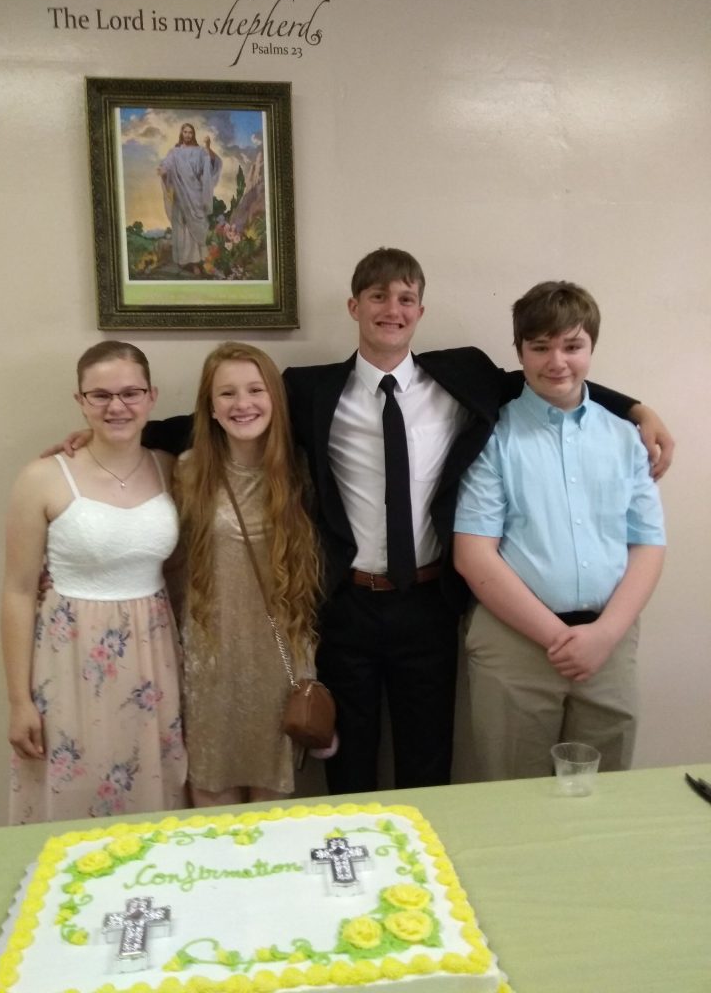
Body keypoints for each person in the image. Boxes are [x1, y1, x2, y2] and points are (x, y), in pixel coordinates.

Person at [48, 249, 674, 795]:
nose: (392, 308)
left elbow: (549, 379)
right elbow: (215, 419)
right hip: (346, 601)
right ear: (354, 306)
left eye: (406, 298)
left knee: (428, 759)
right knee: (344, 758)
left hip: (430, 601)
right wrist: (123, 431)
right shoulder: (311, 389)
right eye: (378, 296)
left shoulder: (463, 375)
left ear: (420, 312)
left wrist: (639, 408)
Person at [453, 282, 666, 779]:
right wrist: (558, 637)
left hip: (608, 644)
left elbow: (648, 545)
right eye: (540, 347)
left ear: (591, 347)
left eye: (572, 346)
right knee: (514, 795)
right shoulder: (493, 436)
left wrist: (604, 634)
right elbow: (474, 556)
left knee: (603, 795)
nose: (557, 362)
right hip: (515, 645)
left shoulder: (625, 438)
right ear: (520, 352)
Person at [2, 341, 187, 822]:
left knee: (152, 795)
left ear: (151, 397)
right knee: (74, 796)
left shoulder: (172, 469)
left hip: (154, 658)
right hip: (68, 662)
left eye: (130, 393)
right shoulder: (42, 478)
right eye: (100, 395)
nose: (117, 406)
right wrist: (19, 701)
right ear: (80, 401)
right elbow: (18, 593)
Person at [174, 342, 321, 807]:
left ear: (275, 398)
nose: (243, 404)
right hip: (210, 655)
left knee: (270, 804)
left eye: (256, 390)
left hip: (279, 655)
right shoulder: (186, 470)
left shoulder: (302, 470)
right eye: (227, 394)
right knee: (210, 788)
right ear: (210, 408)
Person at [157, 123, 223, 275]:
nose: (188, 135)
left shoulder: (200, 151)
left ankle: (197, 262)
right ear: (181, 134)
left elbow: (213, 164)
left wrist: (208, 147)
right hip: (180, 195)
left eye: (190, 132)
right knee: (182, 227)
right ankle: (185, 262)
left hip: (196, 194)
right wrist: (163, 170)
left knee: (196, 226)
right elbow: (167, 164)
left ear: (193, 134)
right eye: (185, 132)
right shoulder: (174, 152)